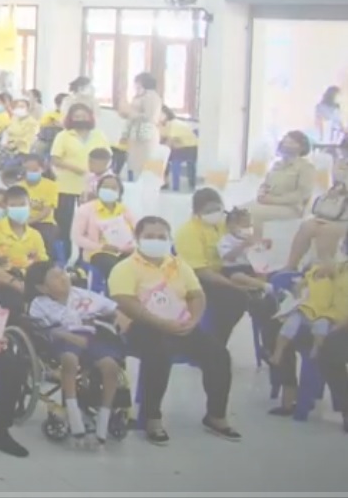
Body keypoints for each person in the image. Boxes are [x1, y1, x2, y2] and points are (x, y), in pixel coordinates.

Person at [110, 215, 240, 444]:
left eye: (161, 237)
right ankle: (152, 418)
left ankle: (216, 416)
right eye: (150, 236)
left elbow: (196, 295)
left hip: (180, 325)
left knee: (218, 354)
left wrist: (193, 320)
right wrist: (160, 323)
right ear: (138, 238)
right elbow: (125, 302)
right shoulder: (125, 268)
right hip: (142, 326)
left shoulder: (178, 265)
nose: (156, 241)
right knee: (158, 354)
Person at [24, 261, 124, 447]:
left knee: (111, 366)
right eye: (56, 277)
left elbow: (113, 308)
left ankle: (104, 415)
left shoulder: (82, 295)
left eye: (63, 273)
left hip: (91, 338)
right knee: (70, 359)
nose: (63, 278)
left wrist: (120, 319)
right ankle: (73, 411)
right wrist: (67, 335)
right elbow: (41, 330)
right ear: (42, 287)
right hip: (61, 339)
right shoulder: (39, 304)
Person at [175, 188, 278, 359]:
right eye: (208, 210)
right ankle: (214, 349)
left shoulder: (227, 223)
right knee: (233, 300)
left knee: (269, 300)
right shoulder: (187, 232)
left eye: (217, 208)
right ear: (197, 212)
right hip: (204, 278)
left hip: (235, 270)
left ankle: (272, 349)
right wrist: (234, 284)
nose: (214, 213)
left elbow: (246, 238)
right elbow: (201, 271)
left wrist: (260, 243)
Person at [49, 103, 108, 239]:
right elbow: (55, 159)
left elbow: (107, 156)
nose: (80, 119)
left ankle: (86, 250)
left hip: (91, 188)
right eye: (77, 116)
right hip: (66, 187)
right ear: (70, 118)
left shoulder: (99, 135)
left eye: (83, 116)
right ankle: (64, 250)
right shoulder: (63, 136)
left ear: (90, 117)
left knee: (89, 225)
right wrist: (78, 170)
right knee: (64, 224)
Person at [247, 129, 317, 235]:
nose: (286, 145)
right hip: (268, 202)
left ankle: (257, 242)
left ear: (301, 147)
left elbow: (302, 194)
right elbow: (266, 183)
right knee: (239, 210)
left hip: (291, 208)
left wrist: (273, 200)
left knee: (253, 213)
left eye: (291, 142)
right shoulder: (277, 165)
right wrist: (262, 192)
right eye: (285, 141)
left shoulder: (306, 167)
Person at [73, 175, 138, 275]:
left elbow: (138, 232)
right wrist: (102, 247)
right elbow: (78, 237)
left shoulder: (124, 210)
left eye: (113, 188)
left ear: (120, 192)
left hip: (125, 251)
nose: (109, 190)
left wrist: (132, 246)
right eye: (105, 187)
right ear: (98, 189)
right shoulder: (86, 209)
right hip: (98, 252)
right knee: (115, 268)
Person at [286, 180, 348, 271]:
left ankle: (327, 269)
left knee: (326, 230)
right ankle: (290, 267)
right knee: (307, 226)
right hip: (333, 215)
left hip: (343, 221)